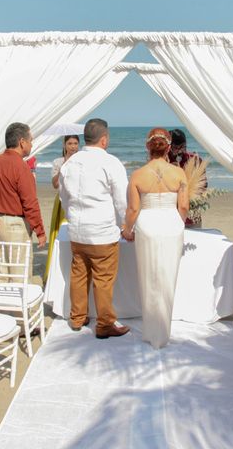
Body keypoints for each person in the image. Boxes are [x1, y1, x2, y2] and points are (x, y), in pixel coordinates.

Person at [59, 118, 130, 339]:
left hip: (78, 229)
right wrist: (126, 224)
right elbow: (122, 200)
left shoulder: (69, 163)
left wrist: (71, 217)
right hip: (101, 231)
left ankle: (77, 317)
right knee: (103, 278)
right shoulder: (111, 163)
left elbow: (63, 197)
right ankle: (105, 323)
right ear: (104, 139)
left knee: (79, 274)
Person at [123, 128, 189, 349]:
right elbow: (184, 206)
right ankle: (164, 333)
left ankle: (151, 332)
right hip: (172, 224)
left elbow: (133, 209)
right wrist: (177, 224)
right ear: (168, 147)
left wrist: (127, 230)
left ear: (147, 147)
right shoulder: (179, 174)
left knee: (149, 277)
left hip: (147, 225)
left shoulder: (137, 175)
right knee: (168, 278)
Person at [0, 122, 46, 278]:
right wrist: (40, 231)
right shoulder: (20, 167)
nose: (32, 144)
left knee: (0, 277)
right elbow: (30, 203)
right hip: (15, 226)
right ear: (22, 142)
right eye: (31, 140)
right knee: (19, 276)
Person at [43, 134, 80, 282]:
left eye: (76, 143)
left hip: (77, 200)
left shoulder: (81, 160)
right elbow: (54, 184)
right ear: (64, 145)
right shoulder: (58, 161)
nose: (73, 146)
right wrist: (65, 164)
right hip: (61, 201)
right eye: (70, 143)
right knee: (60, 233)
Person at [166, 128, 204, 227]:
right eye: (175, 147)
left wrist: (192, 195)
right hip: (169, 211)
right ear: (169, 146)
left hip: (191, 212)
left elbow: (203, 184)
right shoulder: (163, 162)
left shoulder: (194, 159)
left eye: (182, 147)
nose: (179, 150)